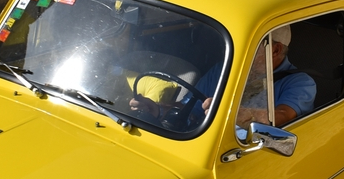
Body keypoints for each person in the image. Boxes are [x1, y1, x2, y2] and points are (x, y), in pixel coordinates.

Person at [129, 25, 315, 129]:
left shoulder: (300, 82)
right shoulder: (222, 69)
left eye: (249, 44)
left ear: (275, 50)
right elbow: (191, 108)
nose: (239, 50)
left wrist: (230, 113)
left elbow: (283, 116)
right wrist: (159, 109)